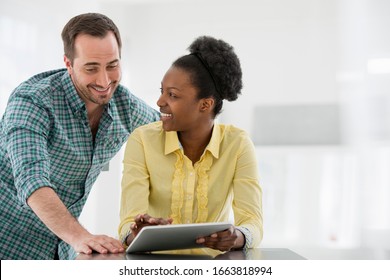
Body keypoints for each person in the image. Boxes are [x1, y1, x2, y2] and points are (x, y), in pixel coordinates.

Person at [0, 13, 159, 260]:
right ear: (68, 63)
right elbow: (31, 180)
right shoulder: (32, 102)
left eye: (113, 65)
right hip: (8, 247)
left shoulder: (124, 105)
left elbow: (170, 129)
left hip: (61, 254)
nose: (104, 81)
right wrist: (81, 236)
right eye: (91, 68)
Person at [119, 36, 263, 252]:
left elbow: (253, 222)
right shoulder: (142, 141)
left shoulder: (238, 144)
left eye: (173, 95)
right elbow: (126, 226)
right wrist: (135, 233)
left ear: (205, 104)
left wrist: (238, 237)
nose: (160, 102)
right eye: (162, 91)